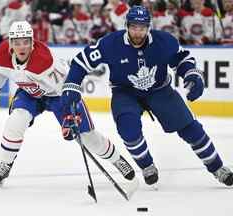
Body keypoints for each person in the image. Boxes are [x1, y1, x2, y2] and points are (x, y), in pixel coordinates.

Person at [60, 5, 233, 187]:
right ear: (126, 25)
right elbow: (81, 62)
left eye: (142, 28)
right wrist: (72, 85)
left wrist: (192, 75)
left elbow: (182, 59)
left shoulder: (164, 41)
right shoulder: (110, 43)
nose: (138, 32)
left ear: (149, 27)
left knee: (191, 129)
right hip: (125, 92)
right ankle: (146, 165)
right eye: (134, 27)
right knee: (128, 129)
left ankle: (217, 167)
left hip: (160, 90)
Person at [0, 21, 135, 187]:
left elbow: (68, 88)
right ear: (10, 44)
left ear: (32, 42)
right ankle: (5, 163)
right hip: (31, 93)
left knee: (87, 137)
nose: (21, 47)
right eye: (16, 42)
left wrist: (70, 116)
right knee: (17, 119)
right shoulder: (2, 53)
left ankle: (117, 160)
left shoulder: (44, 61)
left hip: (61, 95)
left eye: (25, 42)